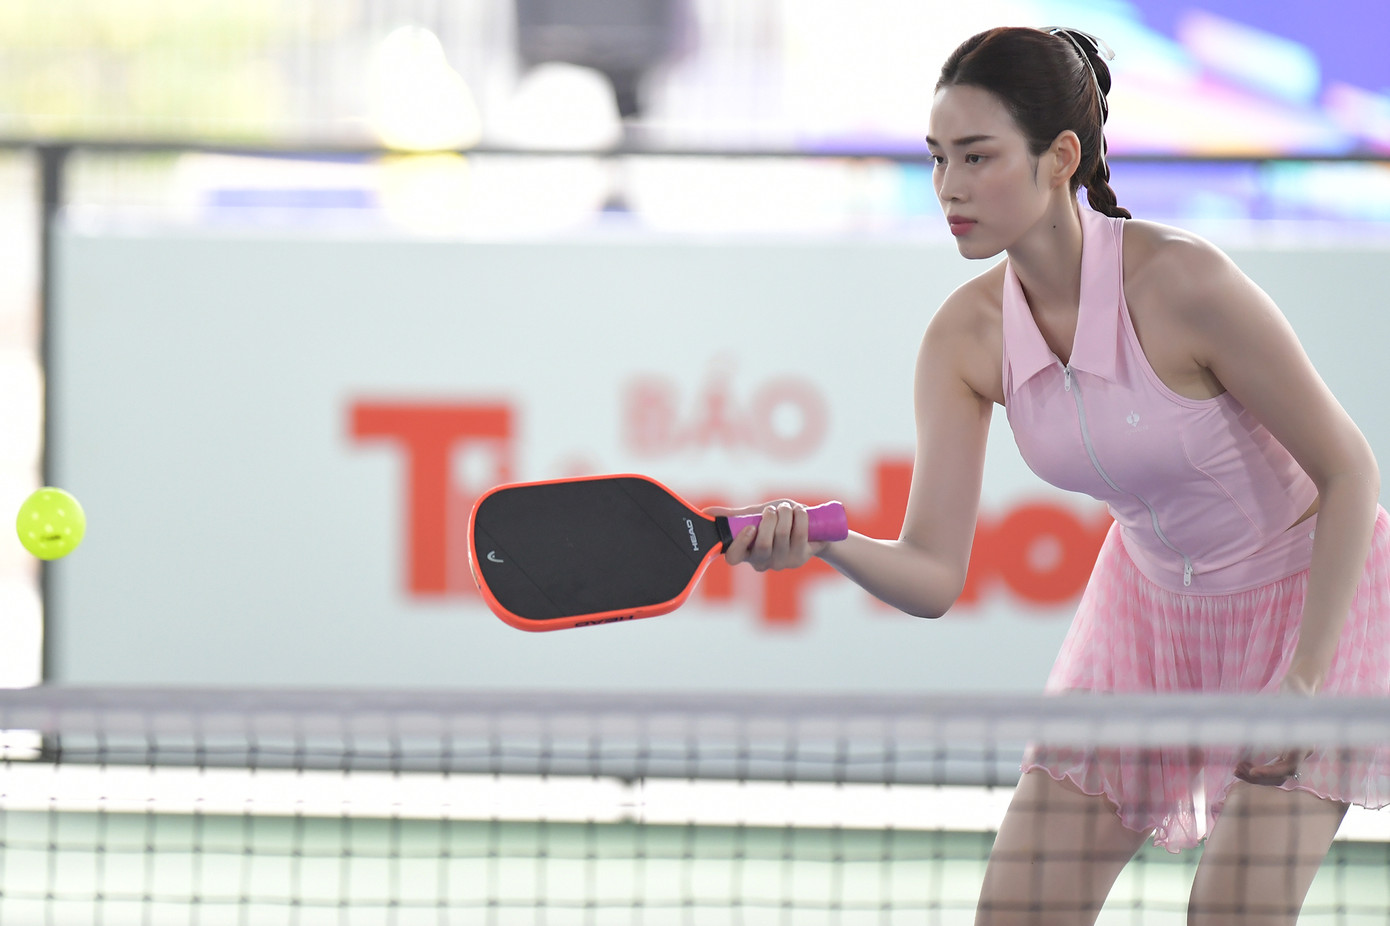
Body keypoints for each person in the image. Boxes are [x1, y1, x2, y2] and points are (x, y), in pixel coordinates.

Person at [711, 25, 1390, 926]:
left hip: (1309, 603)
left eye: (977, 156)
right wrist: (822, 541)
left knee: (1229, 916)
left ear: (1060, 157)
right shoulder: (965, 339)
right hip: (1146, 613)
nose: (949, 187)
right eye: (938, 158)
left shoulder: (1184, 284)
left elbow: (1348, 470)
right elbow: (931, 574)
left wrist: (1303, 686)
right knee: (1019, 911)